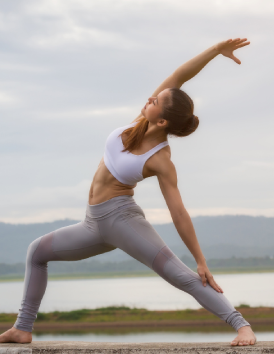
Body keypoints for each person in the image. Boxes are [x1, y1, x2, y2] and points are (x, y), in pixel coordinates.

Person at [0, 38, 256, 346]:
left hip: (123, 221)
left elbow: (178, 212)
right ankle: (22, 328)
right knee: (36, 252)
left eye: (155, 101)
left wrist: (201, 260)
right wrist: (215, 51)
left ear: (162, 120)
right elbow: (179, 76)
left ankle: (242, 326)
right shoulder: (138, 124)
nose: (150, 97)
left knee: (181, 275)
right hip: (93, 224)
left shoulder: (160, 159)